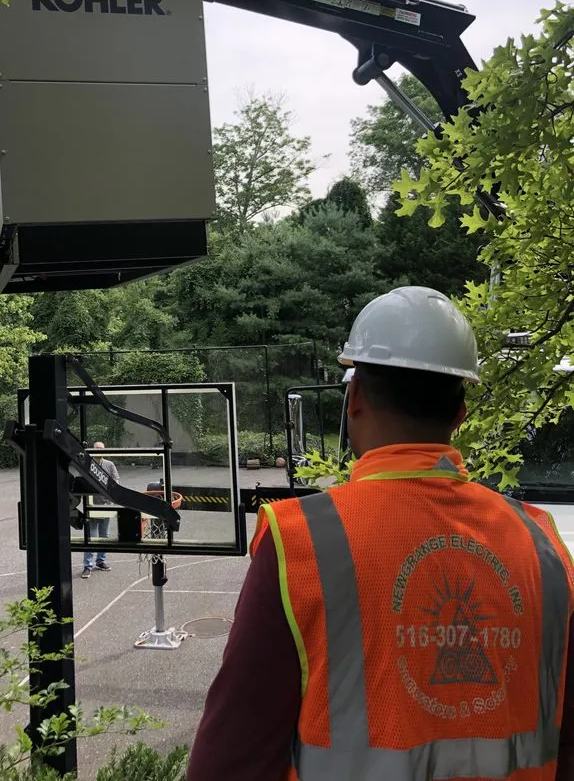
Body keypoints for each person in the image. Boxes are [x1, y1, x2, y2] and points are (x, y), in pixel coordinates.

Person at [188, 286, 574, 781]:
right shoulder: (542, 543)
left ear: (354, 399)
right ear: (461, 414)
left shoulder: (300, 540)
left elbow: (232, 758)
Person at [81, 442, 119, 579]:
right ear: (92, 449)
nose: (99, 450)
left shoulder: (109, 465)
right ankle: (87, 566)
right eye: (97, 448)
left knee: (104, 536)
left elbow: (116, 482)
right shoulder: (87, 464)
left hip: (106, 506)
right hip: (92, 506)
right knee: (91, 537)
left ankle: (101, 561)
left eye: (101, 448)